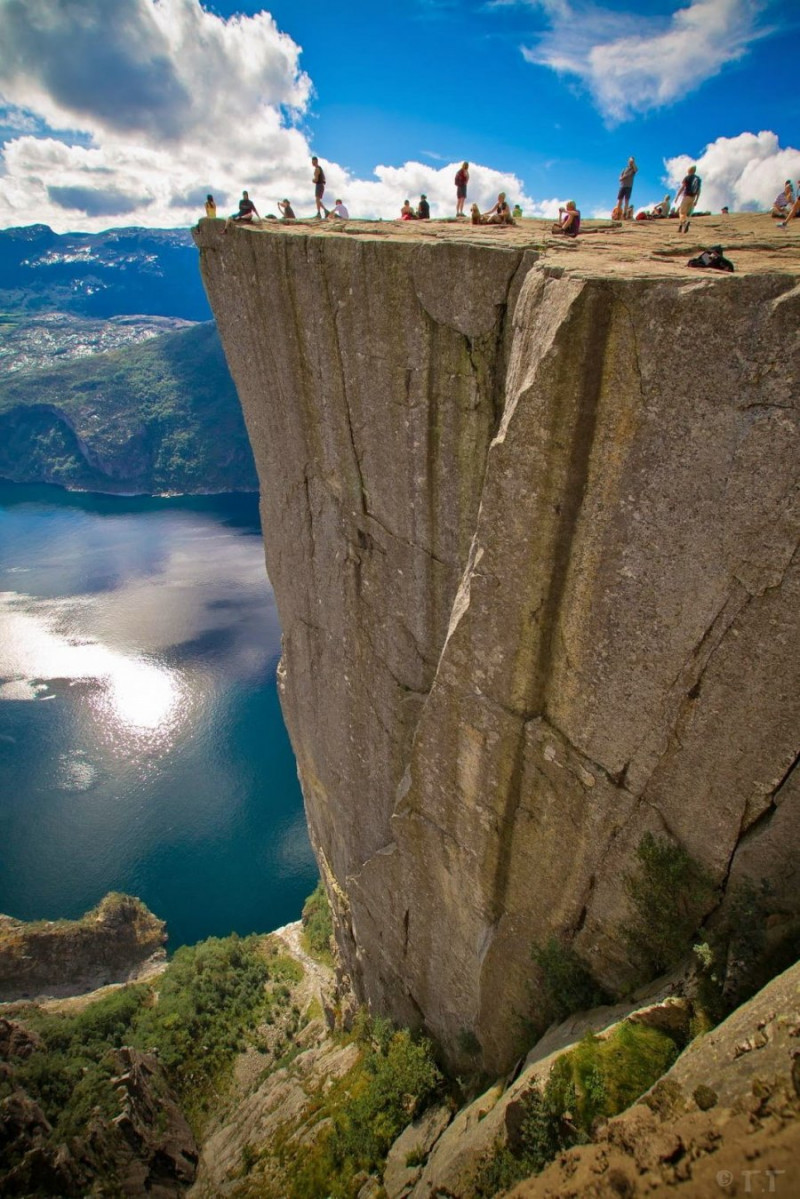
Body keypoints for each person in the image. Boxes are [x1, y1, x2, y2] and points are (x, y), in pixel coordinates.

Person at [675, 165, 701, 233]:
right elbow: (699, 190)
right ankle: (680, 227)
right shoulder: (698, 179)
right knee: (686, 213)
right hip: (693, 198)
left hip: (686, 196)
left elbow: (683, 187)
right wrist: (696, 200)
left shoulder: (687, 177)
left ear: (689, 170)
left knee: (681, 212)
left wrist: (677, 196)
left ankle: (685, 222)